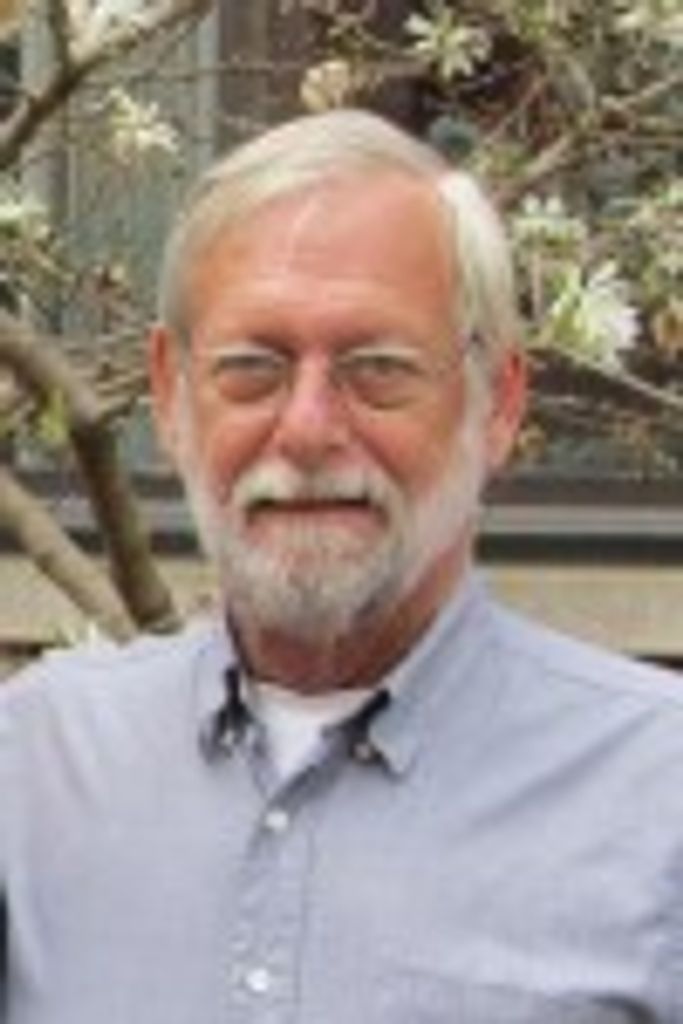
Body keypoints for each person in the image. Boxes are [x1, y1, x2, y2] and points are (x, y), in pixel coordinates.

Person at [1, 109, 682, 1024]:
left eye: (377, 368)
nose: (308, 429)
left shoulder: (657, 799)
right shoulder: (37, 770)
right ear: (169, 395)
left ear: (497, 402)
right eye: (252, 368)